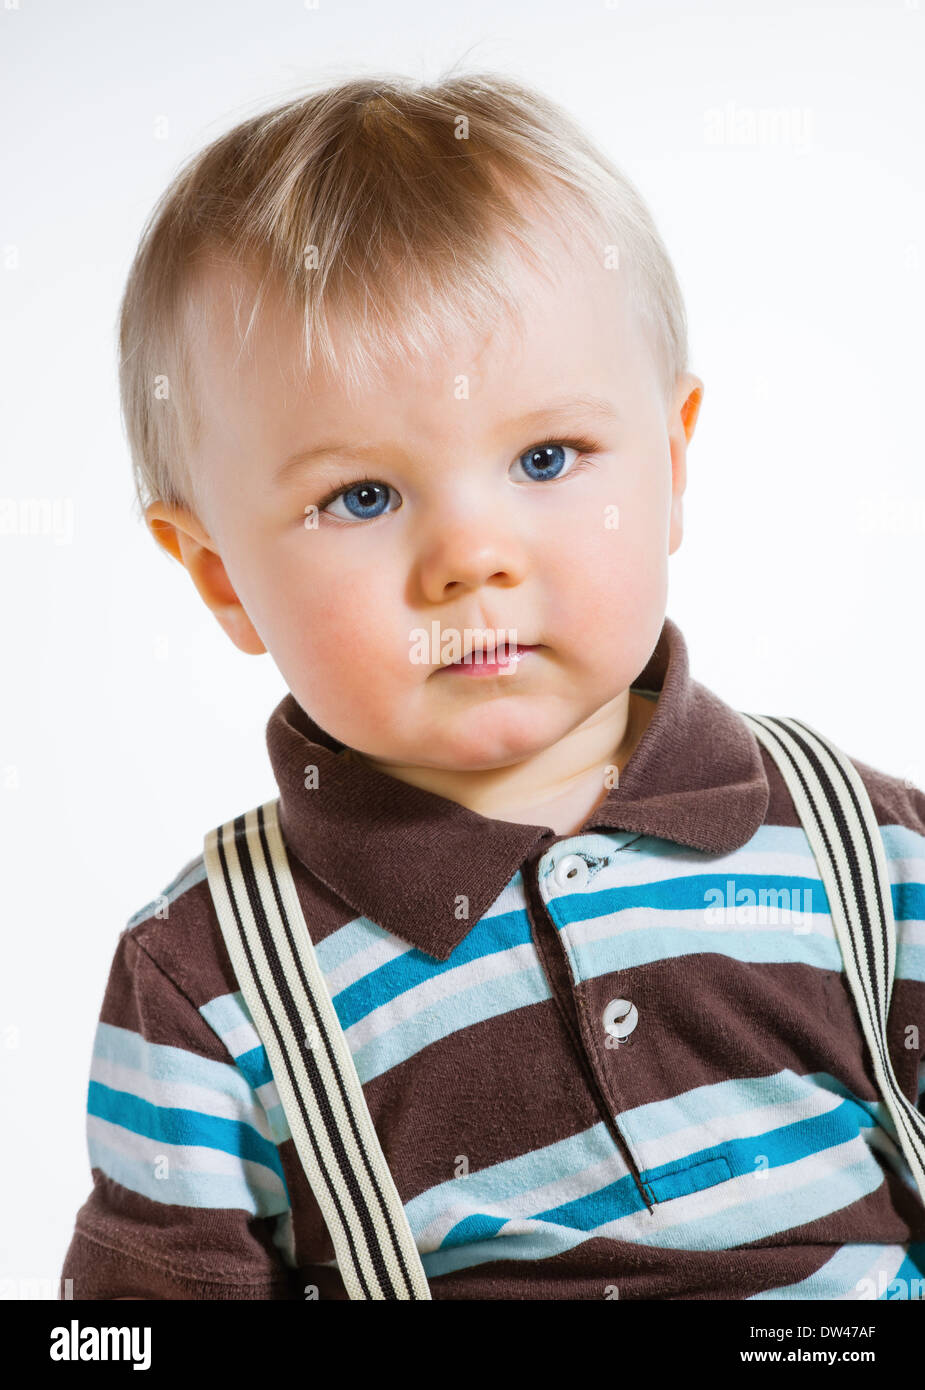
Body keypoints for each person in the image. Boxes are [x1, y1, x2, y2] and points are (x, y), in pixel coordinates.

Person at [61, 70, 925, 1300]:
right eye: (361, 497)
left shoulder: (874, 855)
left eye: (545, 457)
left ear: (672, 465)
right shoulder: (206, 984)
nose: (471, 556)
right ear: (221, 576)